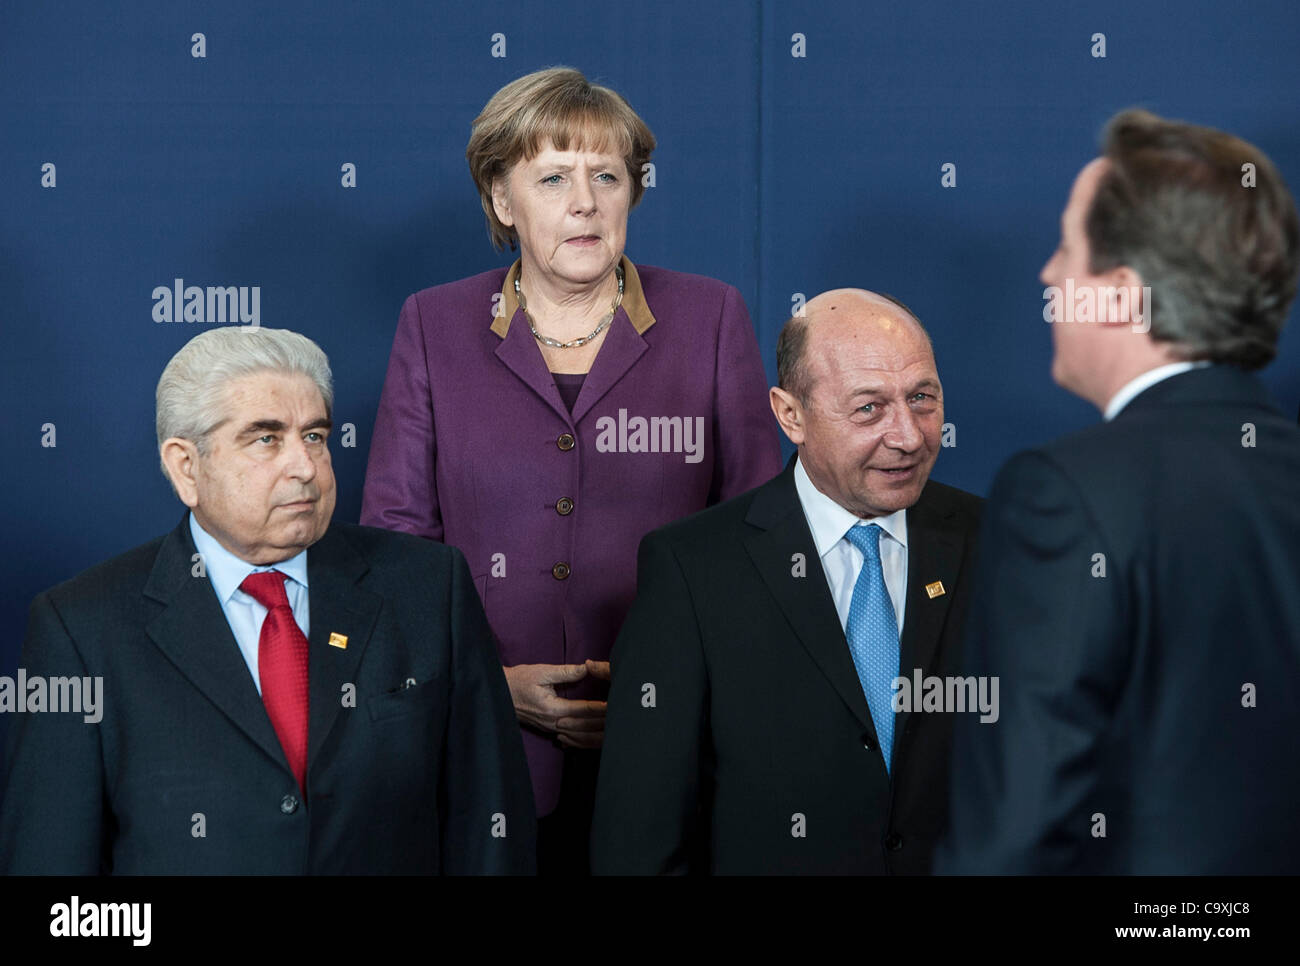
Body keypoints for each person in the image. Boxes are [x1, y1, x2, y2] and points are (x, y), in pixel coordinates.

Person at [360, 66, 781, 873]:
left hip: (672, 746)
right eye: (553, 177)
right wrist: (489, 684)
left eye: (607, 176)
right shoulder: (433, 323)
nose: (585, 201)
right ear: (500, 199)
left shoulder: (711, 315)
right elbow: (395, 545)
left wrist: (664, 681)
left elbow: (758, 533)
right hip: (486, 751)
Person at [0, 327, 534, 874]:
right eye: (266, 439)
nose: (304, 467)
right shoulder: (82, 628)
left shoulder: (428, 587)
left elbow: (491, 829)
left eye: (315, 437)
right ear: (187, 466)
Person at [938, 109, 1300, 874]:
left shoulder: (1063, 494)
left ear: (1121, 293)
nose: (1048, 275)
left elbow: (1014, 836)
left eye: (1068, 247)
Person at [590, 290, 983, 874]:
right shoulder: (693, 570)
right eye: (869, 409)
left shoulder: (1003, 544)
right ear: (790, 414)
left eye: (922, 398)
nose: (909, 436)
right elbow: (639, 841)